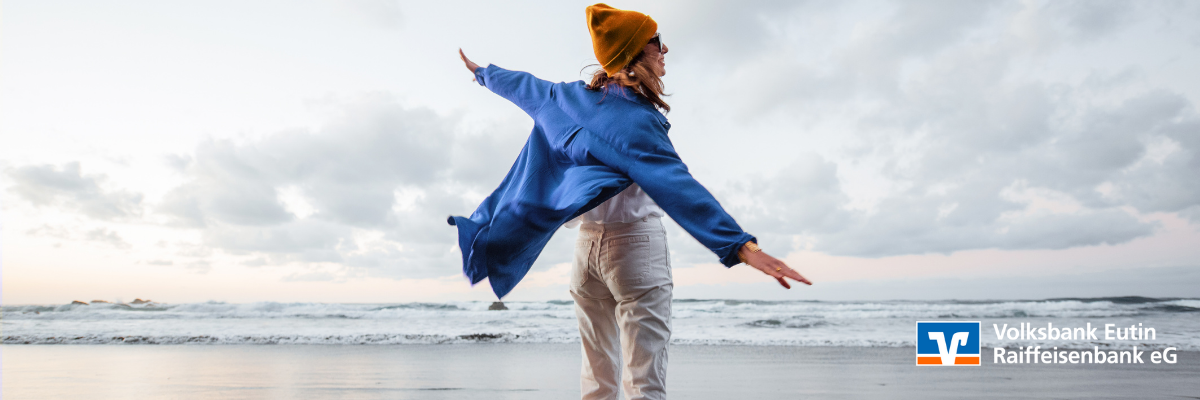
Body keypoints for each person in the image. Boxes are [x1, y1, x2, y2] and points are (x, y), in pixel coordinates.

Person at [451, 4, 811, 399]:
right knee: (644, 385)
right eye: (657, 41)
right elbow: (678, 186)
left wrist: (483, 73)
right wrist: (741, 246)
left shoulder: (562, 97)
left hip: (585, 254)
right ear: (633, 53)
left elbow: (521, 85)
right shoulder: (637, 121)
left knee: (597, 383)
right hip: (636, 251)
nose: (665, 49)